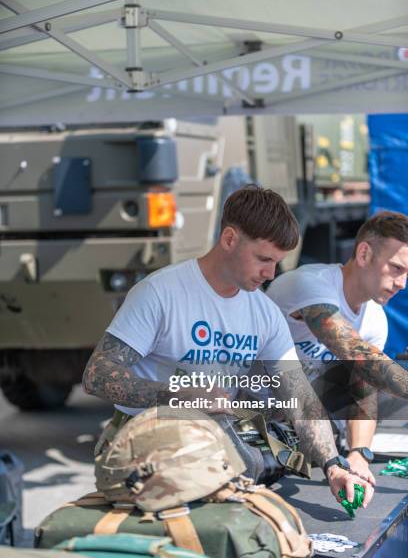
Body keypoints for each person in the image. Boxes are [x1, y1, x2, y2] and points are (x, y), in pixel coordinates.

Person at [83, 186, 374, 507]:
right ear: (230, 239)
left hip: (215, 436)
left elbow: (299, 397)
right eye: (263, 259)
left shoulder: (262, 311)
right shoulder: (160, 292)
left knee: (297, 437)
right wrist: (173, 395)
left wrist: (335, 466)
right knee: (244, 459)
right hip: (146, 438)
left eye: (277, 262)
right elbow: (97, 375)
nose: (270, 273)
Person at [266, 211, 408, 486]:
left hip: (308, 419)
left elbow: (362, 385)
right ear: (364, 253)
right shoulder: (311, 283)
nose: (402, 284)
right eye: (396, 268)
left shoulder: (375, 317)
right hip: (258, 411)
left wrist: (359, 455)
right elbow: (350, 348)